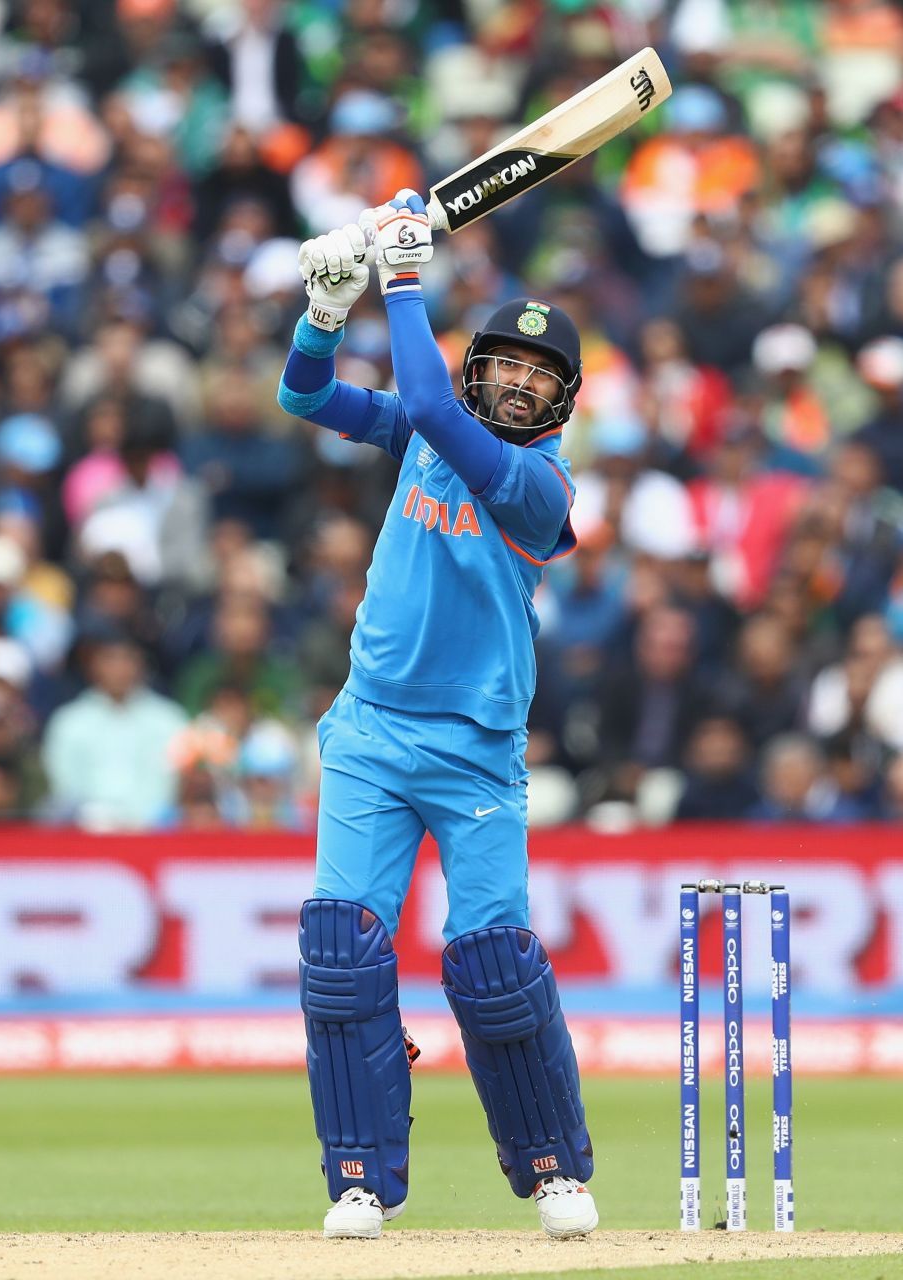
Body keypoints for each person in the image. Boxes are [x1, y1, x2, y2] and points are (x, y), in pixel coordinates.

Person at [275, 192, 596, 1241]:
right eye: (504, 363)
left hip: (475, 752)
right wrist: (325, 311)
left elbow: (425, 395)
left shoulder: (538, 487)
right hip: (371, 730)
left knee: (493, 959)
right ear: (479, 368)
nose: (516, 381)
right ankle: (361, 1175)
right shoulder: (426, 422)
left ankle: (551, 1166)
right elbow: (305, 396)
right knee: (342, 948)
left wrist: (401, 276)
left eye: (538, 377)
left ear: (562, 404)